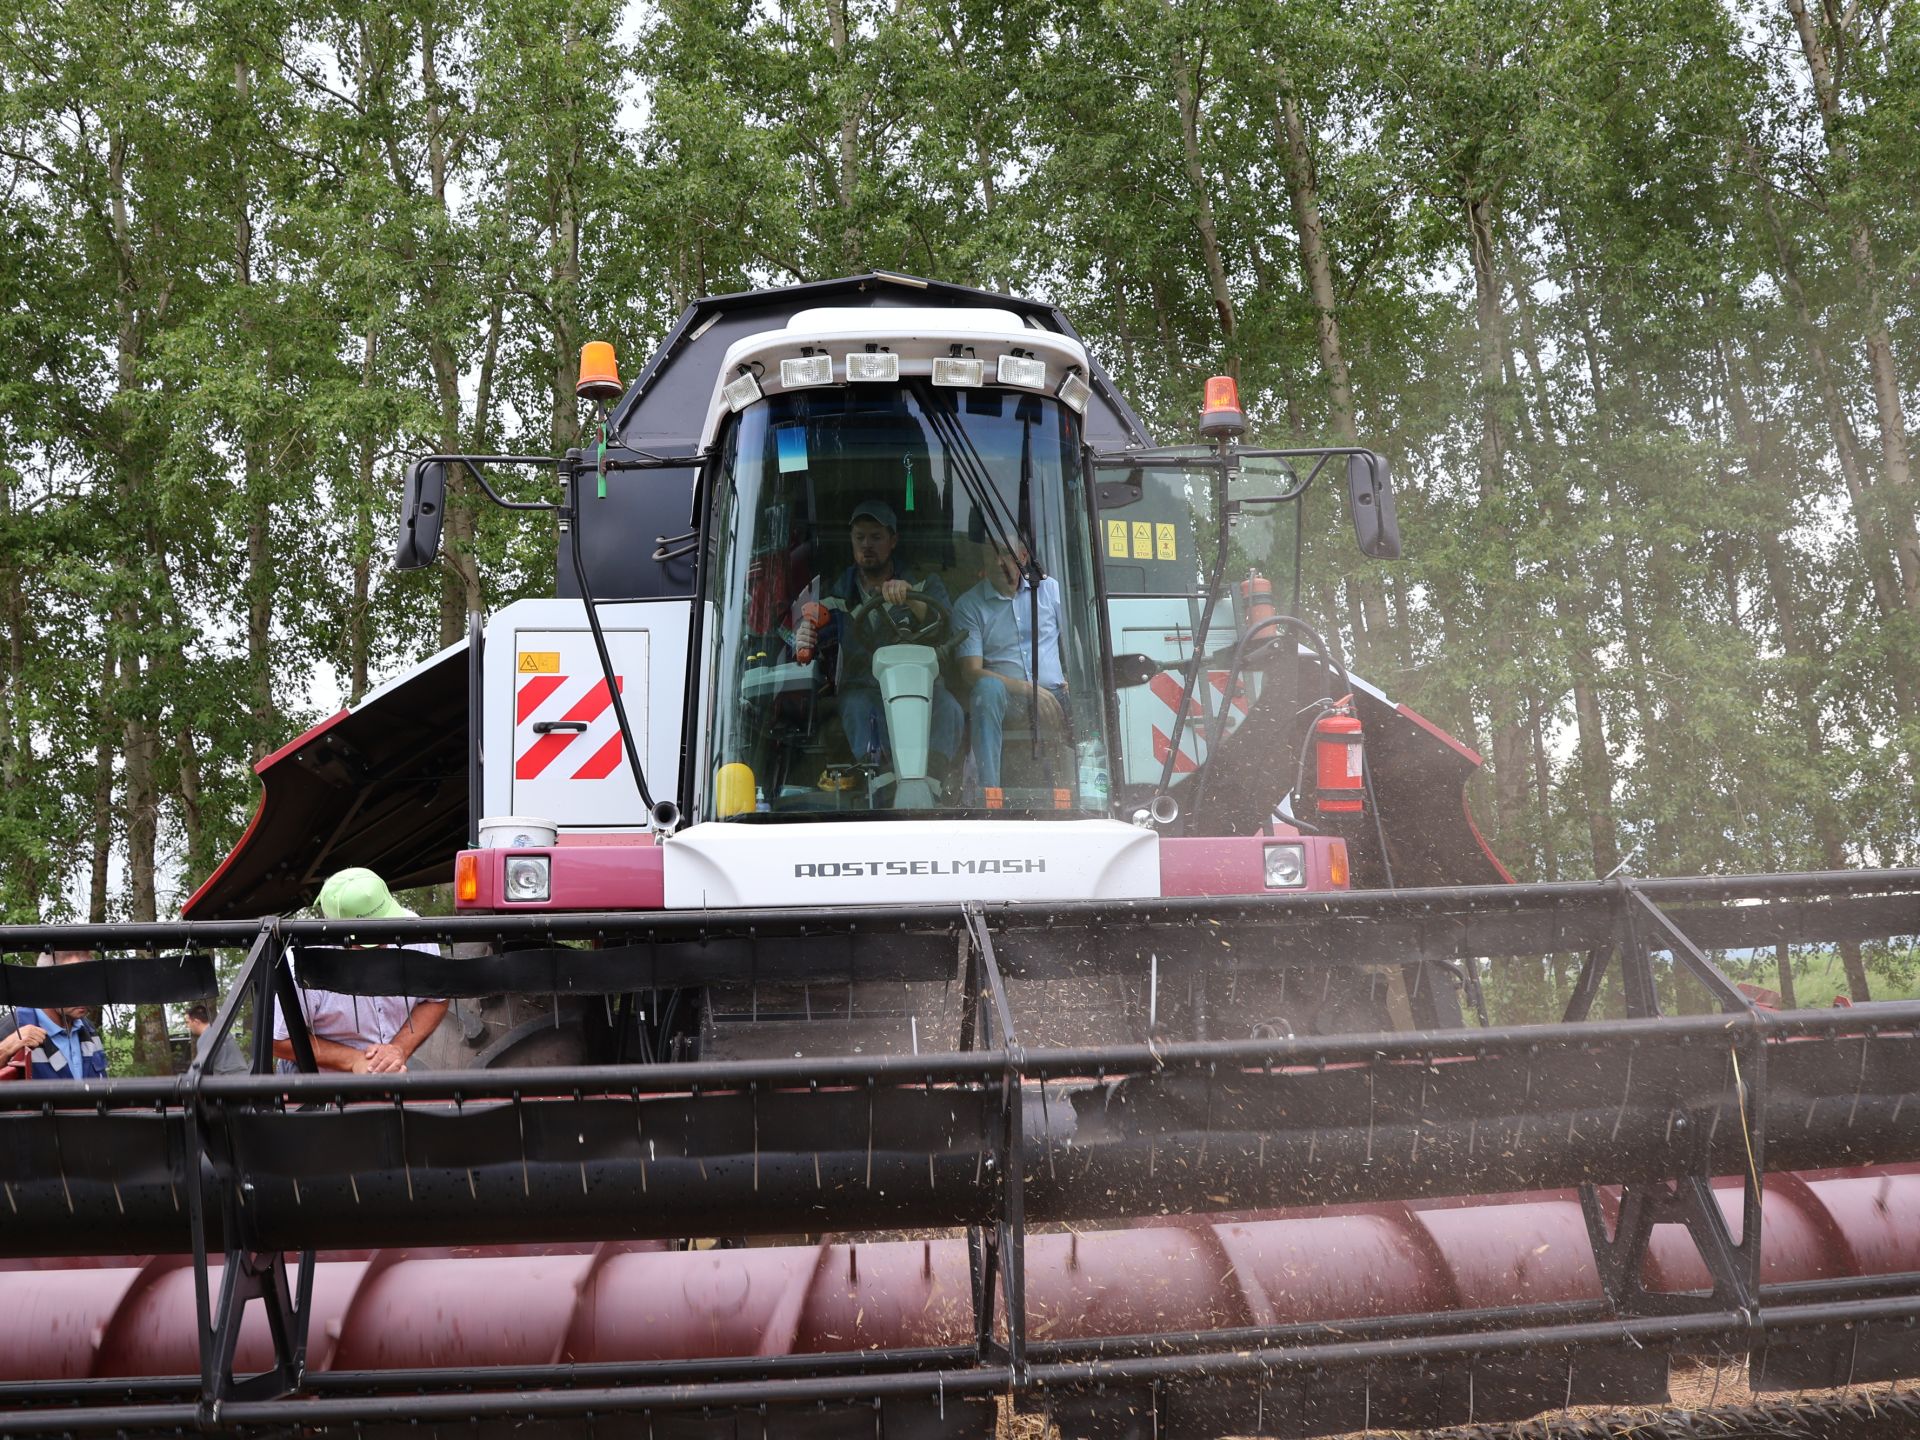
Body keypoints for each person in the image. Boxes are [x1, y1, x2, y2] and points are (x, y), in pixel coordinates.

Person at [792, 500, 963, 781]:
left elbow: (945, 631)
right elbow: (800, 644)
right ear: (851, 541)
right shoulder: (834, 595)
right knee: (858, 707)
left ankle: (933, 783)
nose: (866, 545)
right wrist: (802, 637)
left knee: (950, 708)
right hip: (864, 689)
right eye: (859, 538)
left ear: (893, 541)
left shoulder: (923, 585)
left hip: (921, 687)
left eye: (876, 537)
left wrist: (912, 600)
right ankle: (880, 784)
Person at [272, 868, 447, 1075]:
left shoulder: (417, 934)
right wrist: (353, 1060)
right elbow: (277, 1040)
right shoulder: (302, 965)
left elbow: (436, 999)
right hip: (314, 1081)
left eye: (388, 929)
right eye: (368, 941)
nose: (383, 942)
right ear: (336, 933)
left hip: (389, 1077)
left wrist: (398, 1049)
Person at [952, 539, 1070, 793]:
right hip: (1008, 701)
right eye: (990, 553)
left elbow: (1076, 642)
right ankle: (989, 792)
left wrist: (1074, 678)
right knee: (986, 690)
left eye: (1005, 552)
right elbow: (970, 672)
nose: (998, 561)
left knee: (1096, 697)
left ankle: (1091, 790)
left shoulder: (1050, 590)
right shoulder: (969, 605)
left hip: (1056, 695)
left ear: (1023, 557)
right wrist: (1028, 689)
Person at [1, 950, 108, 1080]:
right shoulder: (12, 1028)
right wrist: (4, 1050)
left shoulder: (88, 1030)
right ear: (45, 984)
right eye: (73, 984)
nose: (84, 994)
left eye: (89, 984)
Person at [185, 1003, 249, 1074]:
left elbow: (201, 1069)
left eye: (188, 1022)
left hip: (229, 1080)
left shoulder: (205, 1038)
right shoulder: (220, 1031)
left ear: (196, 1022)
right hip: (243, 1077)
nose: (187, 1026)